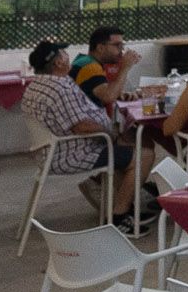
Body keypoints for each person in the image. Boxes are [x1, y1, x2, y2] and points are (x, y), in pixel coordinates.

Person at [24, 37, 147, 230]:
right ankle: (119, 216)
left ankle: (119, 202)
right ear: (58, 62)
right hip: (73, 151)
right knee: (141, 155)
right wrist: (110, 132)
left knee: (127, 144)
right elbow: (81, 126)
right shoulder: (61, 87)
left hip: (49, 150)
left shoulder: (38, 84)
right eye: (63, 54)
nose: (121, 49)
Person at [69, 23, 142, 113]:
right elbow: (108, 97)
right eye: (118, 46)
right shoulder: (89, 67)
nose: (122, 50)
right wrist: (125, 67)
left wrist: (119, 94)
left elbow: (99, 96)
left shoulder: (86, 61)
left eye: (122, 46)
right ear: (100, 48)